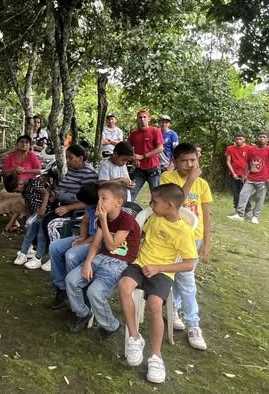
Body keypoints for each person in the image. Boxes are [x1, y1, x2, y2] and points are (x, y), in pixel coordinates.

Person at [118, 183, 198, 384]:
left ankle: (156, 356)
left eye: (154, 202)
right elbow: (141, 235)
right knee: (124, 285)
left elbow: (189, 264)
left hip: (162, 271)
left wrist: (159, 267)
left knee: (154, 305)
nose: (151, 205)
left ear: (169, 205)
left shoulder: (184, 231)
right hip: (140, 264)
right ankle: (135, 338)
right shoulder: (154, 217)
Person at [66, 183, 141, 336]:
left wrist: (104, 221)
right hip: (101, 257)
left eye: (103, 198)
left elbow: (112, 245)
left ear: (118, 202)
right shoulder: (102, 220)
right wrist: (87, 263)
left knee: (95, 292)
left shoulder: (126, 220)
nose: (99, 202)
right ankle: (83, 314)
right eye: (99, 198)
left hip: (118, 263)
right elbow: (96, 244)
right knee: (71, 280)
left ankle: (111, 325)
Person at [160, 143, 212, 350]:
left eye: (193, 160)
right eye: (184, 161)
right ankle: (194, 325)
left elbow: (206, 214)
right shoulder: (167, 178)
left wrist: (207, 242)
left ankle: (173, 309)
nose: (190, 164)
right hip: (173, 239)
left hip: (194, 238)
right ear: (175, 161)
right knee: (187, 281)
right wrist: (190, 180)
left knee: (183, 279)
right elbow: (174, 205)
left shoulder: (203, 184)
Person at [49, 184, 99, 309]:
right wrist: (82, 237)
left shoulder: (103, 208)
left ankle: (77, 293)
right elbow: (85, 222)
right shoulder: (90, 207)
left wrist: (82, 243)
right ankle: (61, 288)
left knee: (71, 254)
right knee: (55, 247)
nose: (84, 205)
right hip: (87, 237)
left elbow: (100, 235)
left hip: (98, 242)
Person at [42, 144, 98, 246]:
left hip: (74, 210)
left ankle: (55, 250)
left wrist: (67, 208)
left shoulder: (89, 174)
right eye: (67, 157)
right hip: (60, 204)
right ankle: (38, 249)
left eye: (70, 158)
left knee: (50, 222)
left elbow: (89, 201)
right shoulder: (72, 170)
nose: (67, 161)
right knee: (38, 219)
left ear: (80, 158)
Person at [5, 173, 51, 269]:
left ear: (20, 184)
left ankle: (38, 258)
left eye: (17, 190)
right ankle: (23, 253)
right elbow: (26, 200)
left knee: (41, 235)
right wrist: (27, 213)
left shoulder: (34, 183)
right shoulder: (23, 188)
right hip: (34, 214)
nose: (18, 192)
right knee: (28, 234)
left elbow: (46, 193)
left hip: (44, 213)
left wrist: (42, 208)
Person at [0, 135, 42, 235]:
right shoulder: (11, 157)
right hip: (12, 185)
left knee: (20, 198)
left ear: (29, 145)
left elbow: (39, 171)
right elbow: (3, 172)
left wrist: (25, 171)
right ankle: (15, 223)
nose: (24, 144)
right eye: (21, 142)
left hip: (27, 186)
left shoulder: (32, 156)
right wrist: (13, 170)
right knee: (2, 195)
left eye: (27, 142)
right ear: (17, 144)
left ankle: (11, 223)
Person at [228, 131, 269, 224]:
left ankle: (255, 216)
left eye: (264, 137)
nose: (261, 139)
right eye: (260, 137)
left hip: (263, 179)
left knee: (260, 198)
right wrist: (245, 174)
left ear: (267, 139)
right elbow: (247, 162)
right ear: (257, 138)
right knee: (243, 194)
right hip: (250, 178)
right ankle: (239, 214)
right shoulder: (251, 150)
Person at [127, 110, 164, 201]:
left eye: (144, 117)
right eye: (140, 117)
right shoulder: (134, 133)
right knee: (131, 192)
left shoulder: (155, 131)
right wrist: (134, 157)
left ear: (149, 119)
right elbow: (127, 148)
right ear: (137, 119)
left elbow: (160, 148)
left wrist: (143, 156)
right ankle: (127, 209)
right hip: (139, 169)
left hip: (153, 168)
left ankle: (156, 210)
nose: (142, 119)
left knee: (156, 195)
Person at [225, 132, 252, 215]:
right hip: (234, 174)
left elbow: (252, 162)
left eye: (240, 139)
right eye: (236, 139)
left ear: (244, 139)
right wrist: (233, 173)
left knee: (245, 193)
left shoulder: (250, 148)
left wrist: (246, 174)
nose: (238, 140)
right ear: (234, 139)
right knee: (235, 192)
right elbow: (228, 161)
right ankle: (237, 210)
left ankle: (246, 211)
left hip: (246, 175)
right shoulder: (230, 148)